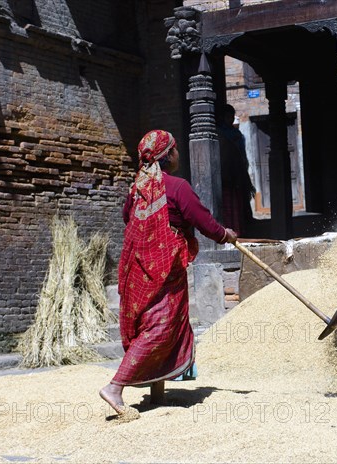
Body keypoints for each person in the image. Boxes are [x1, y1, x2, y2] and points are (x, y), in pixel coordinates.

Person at [99, 129, 237, 415]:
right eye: (175, 149)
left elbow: (128, 218)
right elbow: (201, 219)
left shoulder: (137, 188)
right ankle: (114, 387)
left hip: (138, 267)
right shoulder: (176, 187)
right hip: (164, 267)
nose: (178, 154)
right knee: (160, 327)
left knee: (157, 322)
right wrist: (225, 234)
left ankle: (157, 393)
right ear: (168, 155)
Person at [217, 104, 256, 236]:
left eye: (231, 117)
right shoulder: (218, 135)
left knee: (239, 205)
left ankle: (240, 232)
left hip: (237, 174)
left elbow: (242, 156)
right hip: (224, 175)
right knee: (227, 207)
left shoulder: (238, 135)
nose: (230, 120)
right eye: (227, 117)